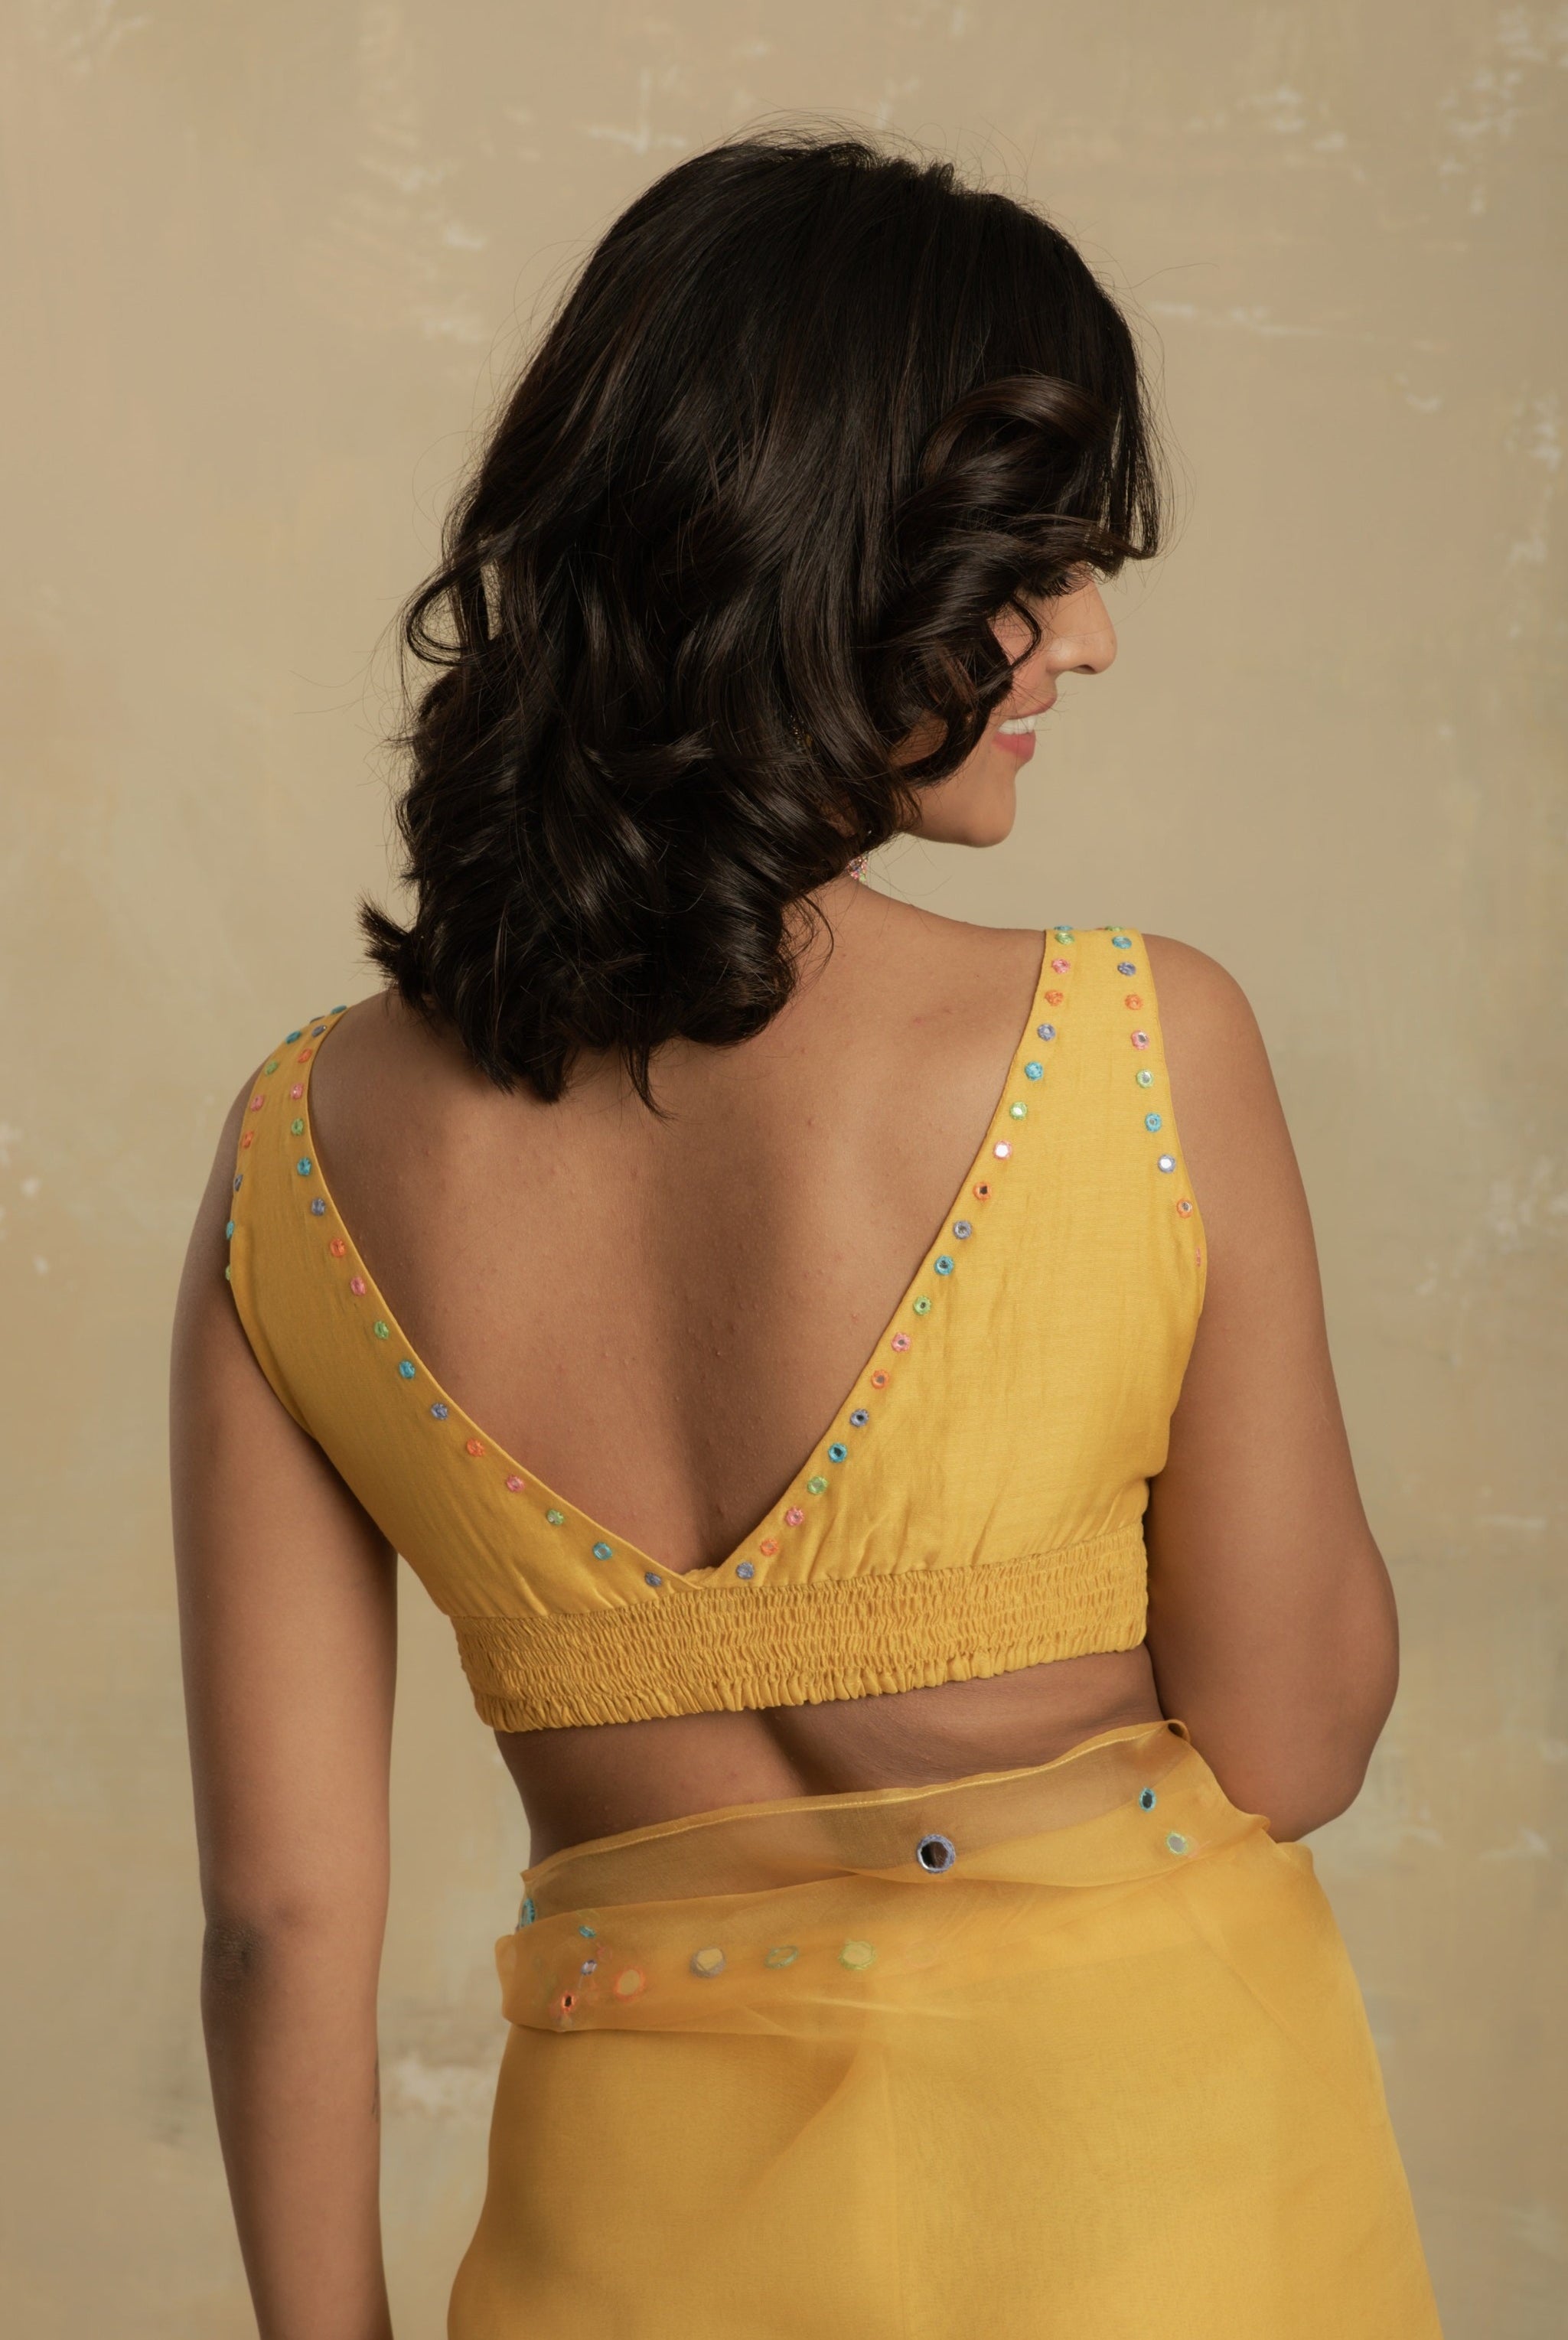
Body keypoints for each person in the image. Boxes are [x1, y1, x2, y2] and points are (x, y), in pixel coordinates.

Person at [171, 132, 1442, 2338]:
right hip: (1151, 2236)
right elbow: (1295, 1740)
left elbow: (281, 1916)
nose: (1087, 634)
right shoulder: (1134, 1045)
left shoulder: (300, 1155)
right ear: (813, 551)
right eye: (1029, 564)